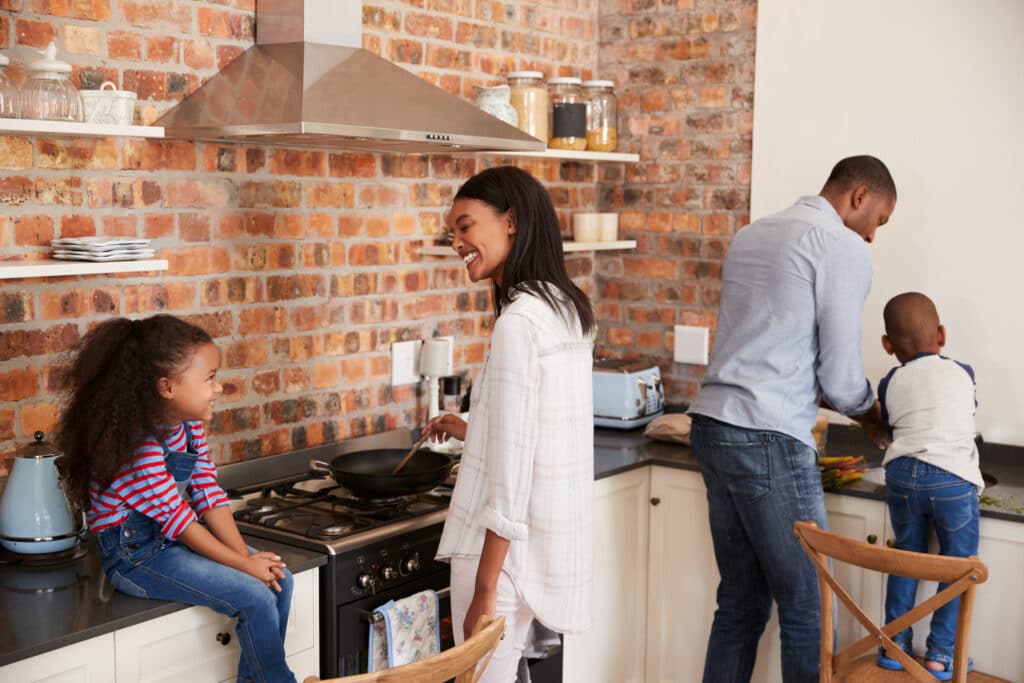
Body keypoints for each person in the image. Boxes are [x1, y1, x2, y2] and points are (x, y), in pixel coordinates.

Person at [687, 155, 898, 683]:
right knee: (810, 605)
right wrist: (872, 417)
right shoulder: (842, 247)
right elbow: (842, 374)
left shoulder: (753, 234)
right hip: (768, 438)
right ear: (859, 196)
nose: (874, 235)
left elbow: (772, 349)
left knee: (739, 602)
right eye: (879, 219)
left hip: (712, 426)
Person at [422, 165, 595, 682]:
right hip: (541, 555)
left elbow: (513, 477)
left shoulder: (518, 323)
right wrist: (469, 426)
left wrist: (483, 590)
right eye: (452, 232)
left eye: (466, 226)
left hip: (501, 560)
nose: (457, 242)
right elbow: (534, 434)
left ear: (511, 222)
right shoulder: (564, 307)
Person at [58, 314, 295, 683]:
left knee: (281, 579)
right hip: (135, 558)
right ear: (167, 387)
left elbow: (206, 491)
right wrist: (243, 566)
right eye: (210, 378)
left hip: (170, 543)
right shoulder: (137, 448)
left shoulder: (188, 425)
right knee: (256, 596)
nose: (219, 388)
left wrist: (245, 559)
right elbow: (179, 520)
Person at [875, 292, 981, 679]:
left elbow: (888, 431)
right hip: (953, 477)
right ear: (942, 334)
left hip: (902, 475)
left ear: (888, 345)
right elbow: (963, 418)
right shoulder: (963, 372)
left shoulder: (890, 380)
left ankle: (893, 644)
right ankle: (940, 655)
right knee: (957, 566)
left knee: (907, 555)